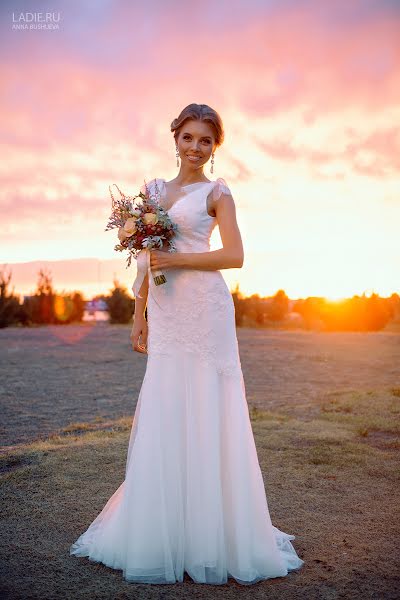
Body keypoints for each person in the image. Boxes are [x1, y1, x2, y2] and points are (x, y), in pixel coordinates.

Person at [70, 103, 305, 584]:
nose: (196, 148)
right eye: (189, 138)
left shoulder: (219, 194)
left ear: (215, 148)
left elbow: (235, 255)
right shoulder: (152, 192)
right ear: (174, 137)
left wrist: (176, 263)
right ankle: (159, 530)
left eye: (206, 141)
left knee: (209, 404)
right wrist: (140, 315)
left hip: (207, 310)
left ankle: (212, 534)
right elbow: (143, 260)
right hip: (168, 311)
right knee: (166, 401)